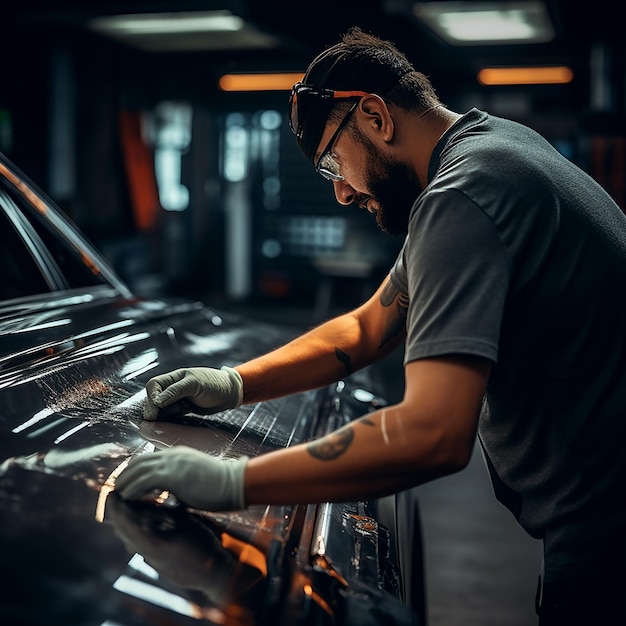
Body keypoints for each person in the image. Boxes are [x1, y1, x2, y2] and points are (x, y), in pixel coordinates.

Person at [115, 26, 626, 625]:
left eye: (334, 160)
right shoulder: (491, 151)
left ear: (377, 117)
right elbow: (367, 328)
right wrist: (232, 383)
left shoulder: (464, 194)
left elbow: (432, 433)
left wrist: (234, 482)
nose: (339, 192)